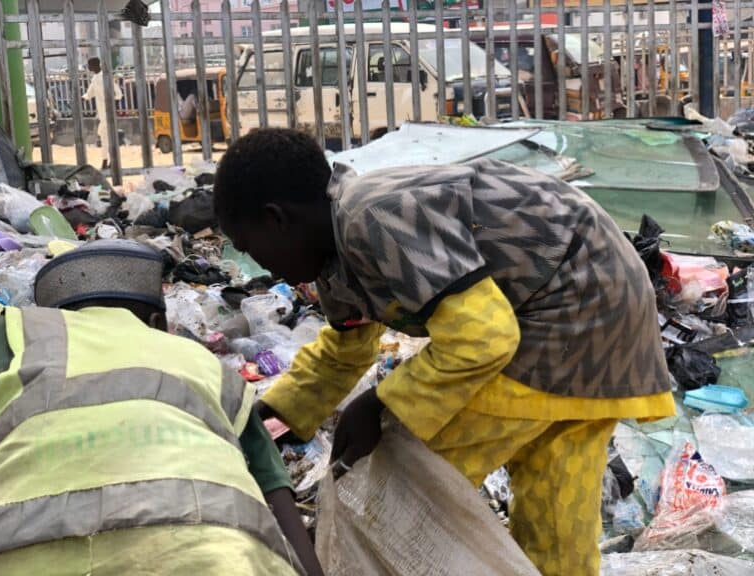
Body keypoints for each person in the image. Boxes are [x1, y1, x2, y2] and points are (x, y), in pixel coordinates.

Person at [212, 128, 676, 576]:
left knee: (402, 474)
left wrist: (379, 402)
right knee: (555, 514)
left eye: (251, 247)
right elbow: (347, 348)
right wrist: (279, 410)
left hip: (571, 312)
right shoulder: (336, 255)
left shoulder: (370, 216)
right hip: (609, 313)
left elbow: (483, 337)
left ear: (277, 218)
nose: (262, 264)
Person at [0, 240, 323, 576]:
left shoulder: (10, 335)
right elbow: (277, 496)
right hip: (217, 563)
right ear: (159, 323)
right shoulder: (207, 367)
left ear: (49, 317)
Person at [83, 57, 123, 171]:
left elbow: (119, 94)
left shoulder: (107, 77)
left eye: (89, 65)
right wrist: (83, 97)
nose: (89, 68)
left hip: (108, 113)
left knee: (104, 134)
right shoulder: (95, 79)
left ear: (95, 65)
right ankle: (107, 160)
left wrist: (111, 100)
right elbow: (89, 94)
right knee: (105, 137)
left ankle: (108, 160)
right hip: (101, 113)